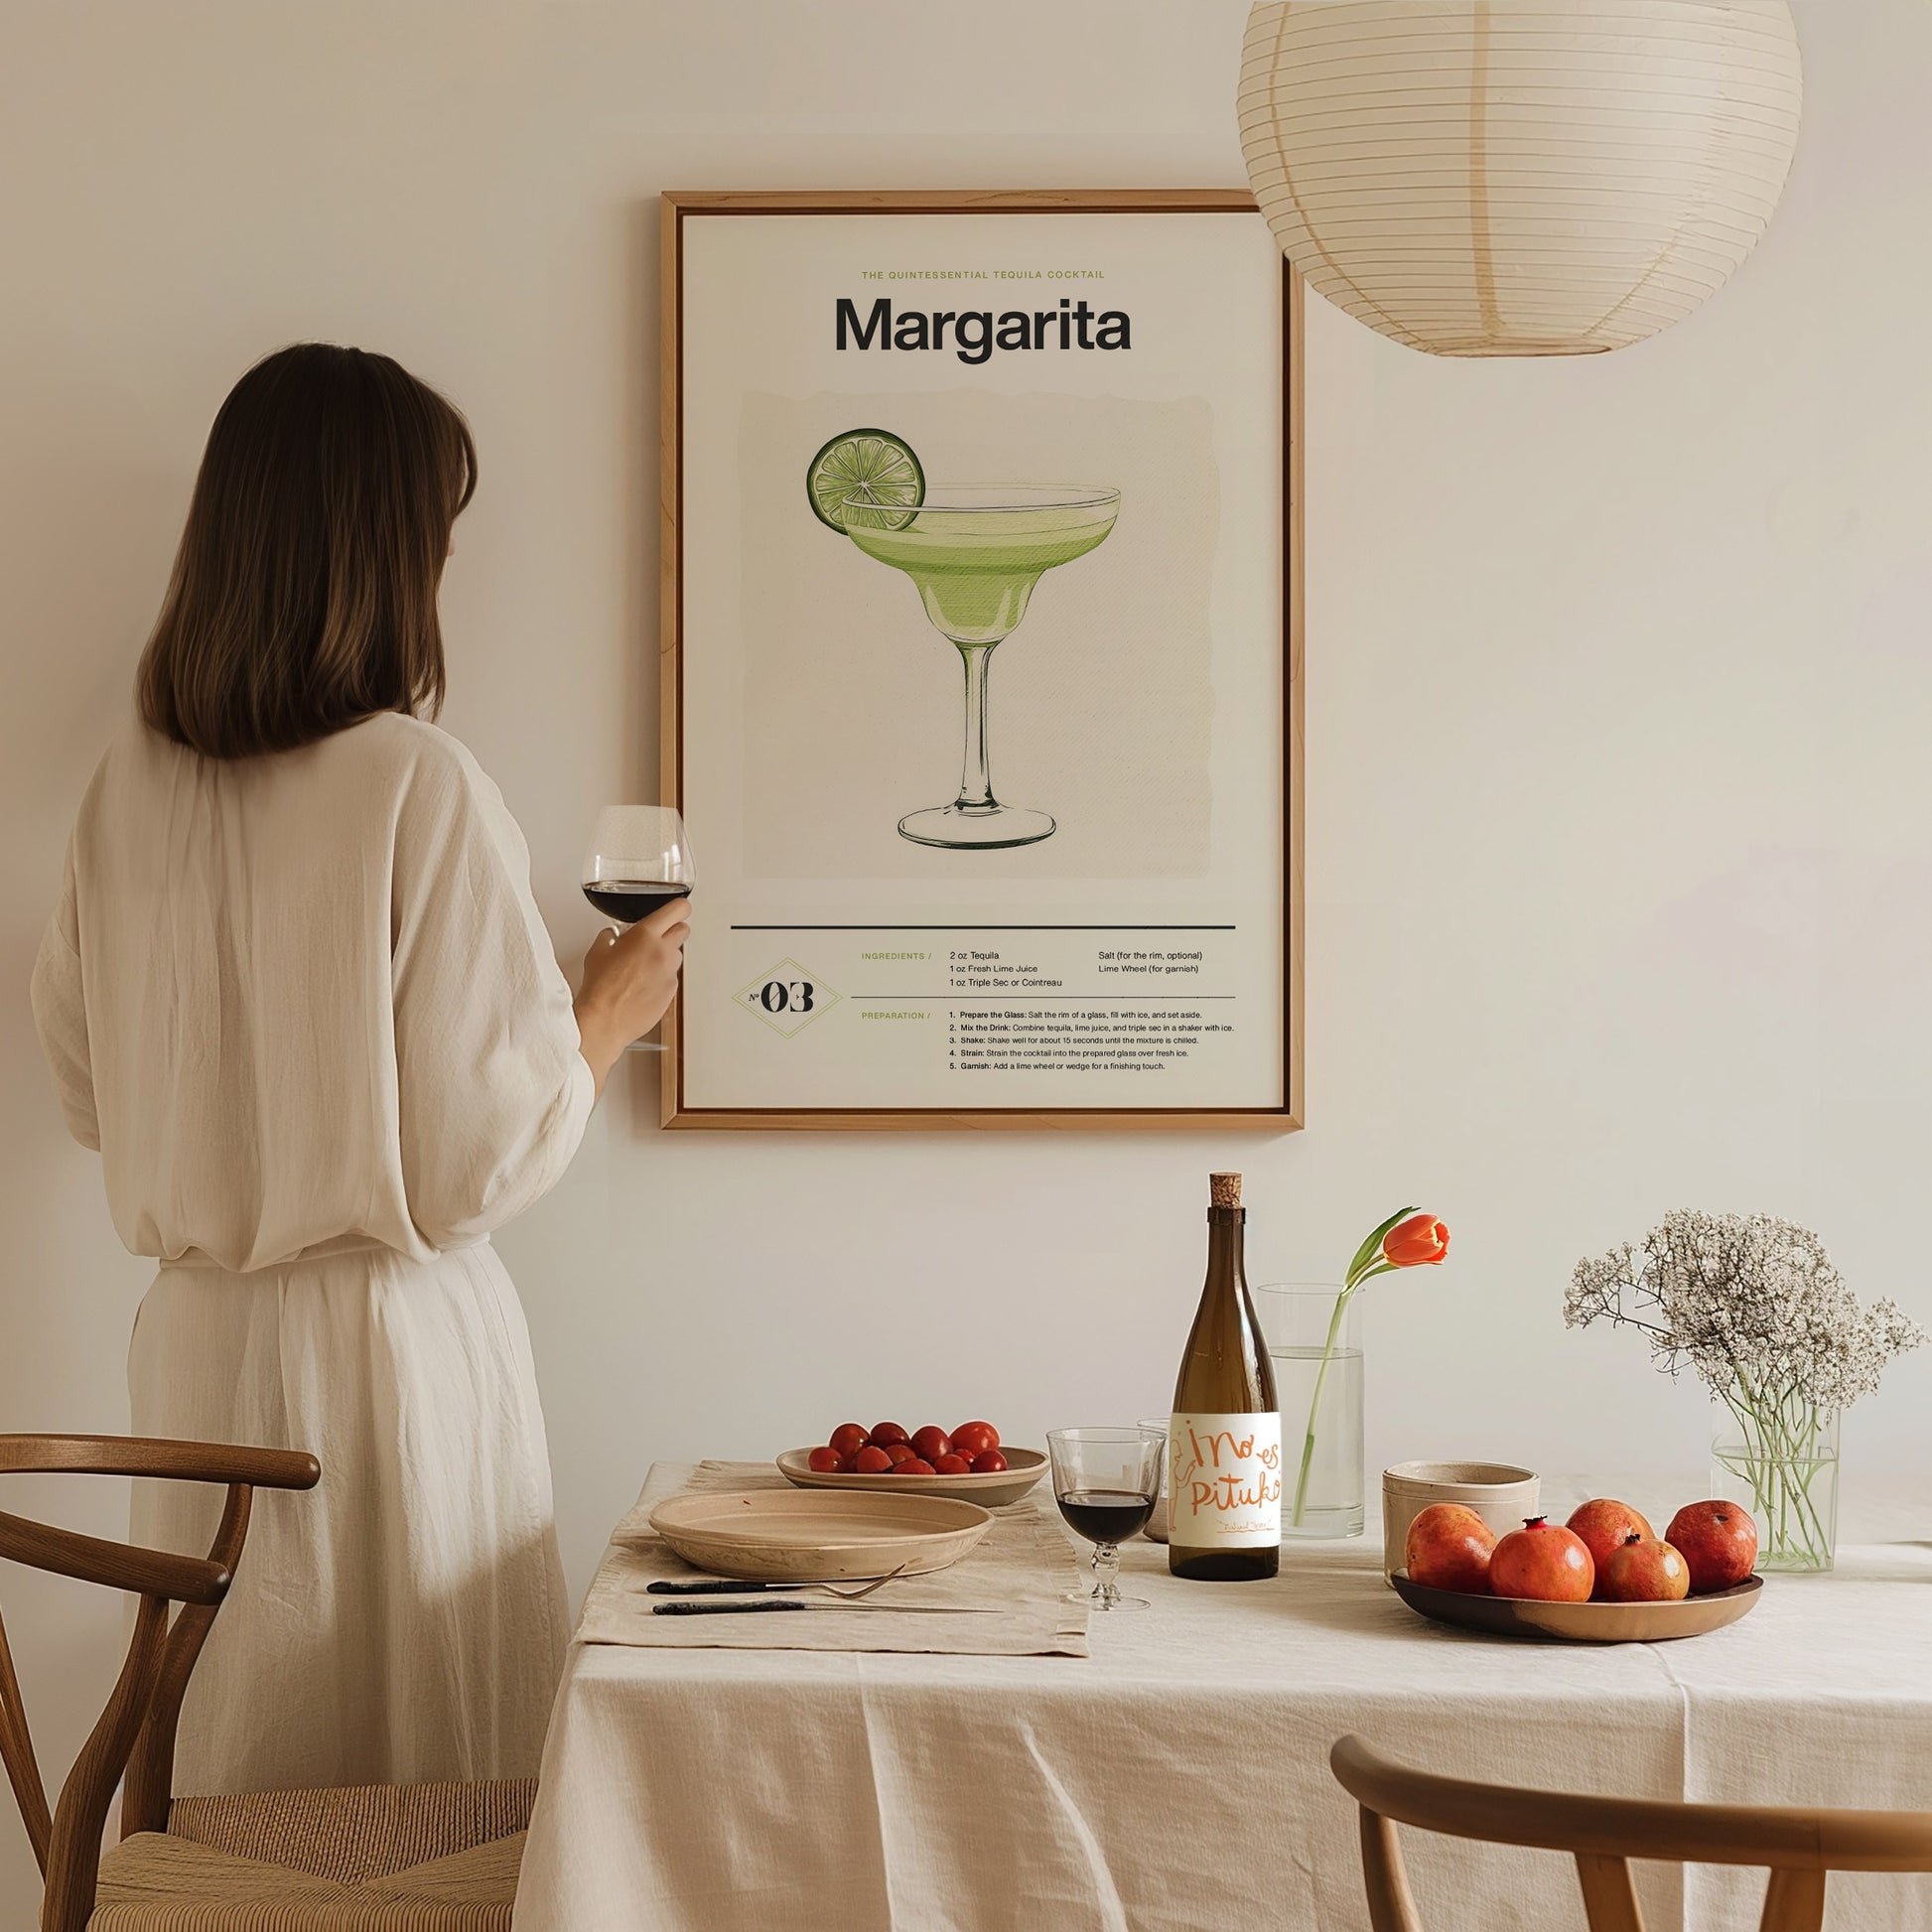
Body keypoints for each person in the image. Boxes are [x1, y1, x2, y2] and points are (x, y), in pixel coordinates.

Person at [29, 343, 684, 1793]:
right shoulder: (414, 779)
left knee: (239, 1771)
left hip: (197, 1350)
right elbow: (471, 1165)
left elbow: (87, 1093)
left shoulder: (122, 791)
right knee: (419, 1793)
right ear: (386, 552)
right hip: (388, 1360)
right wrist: (602, 1011)